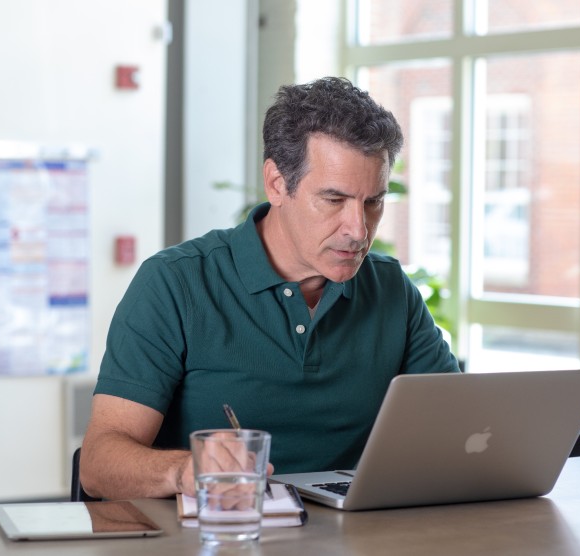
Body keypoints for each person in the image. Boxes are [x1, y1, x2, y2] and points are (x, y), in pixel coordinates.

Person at [80, 76, 460, 500]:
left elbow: (458, 432)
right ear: (277, 183)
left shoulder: (390, 287)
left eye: (373, 202)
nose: (358, 229)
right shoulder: (176, 282)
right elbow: (99, 464)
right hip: (217, 537)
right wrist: (186, 470)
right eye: (334, 200)